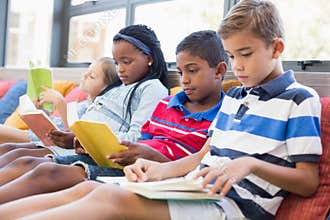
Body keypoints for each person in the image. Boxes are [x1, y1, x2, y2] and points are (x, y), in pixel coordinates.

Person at [0, 1, 322, 219]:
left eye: (246, 54)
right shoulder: (237, 96)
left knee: (110, 199)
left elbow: (307, 182)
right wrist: (158, 171)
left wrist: (250, 165)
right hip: (196, 188)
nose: (238, 66)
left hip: (233, 207)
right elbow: (203, 156)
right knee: (86, 188)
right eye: (233, 56)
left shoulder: (298, 99)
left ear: (277, 48)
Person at [0, 30, 227, 205]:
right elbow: (143, 139)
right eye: (180, 72)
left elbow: (195, 160)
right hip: (124, 163)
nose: (184, 80)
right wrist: (85, 140)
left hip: (142, 171)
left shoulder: (224, 112)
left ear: (219, 71)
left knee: (46, 170)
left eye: (192, 70)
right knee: (24, 158)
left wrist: (148, 155)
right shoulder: (166, 104)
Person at [0, 24, 169, 185]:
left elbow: (137, 139)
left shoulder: (152, 88)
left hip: (100, 156)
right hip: (80, 146)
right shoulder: (118, 88)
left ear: (149, 59)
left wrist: (84, 139)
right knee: (11, 150)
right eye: (117, 63)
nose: (120, 70)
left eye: (127, 61)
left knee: (26, 161)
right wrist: (73, 136)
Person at [0, 57, 120, 167]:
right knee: (6, 147)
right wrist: (41, 111)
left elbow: (78, 134)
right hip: (41, 136)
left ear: (107, 87)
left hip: (49, 142)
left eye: (92, 76)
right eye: (87, 71)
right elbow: (54, 124)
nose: (85, 75)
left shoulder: (97, 111)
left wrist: (60, 103)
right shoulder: (83, 104)